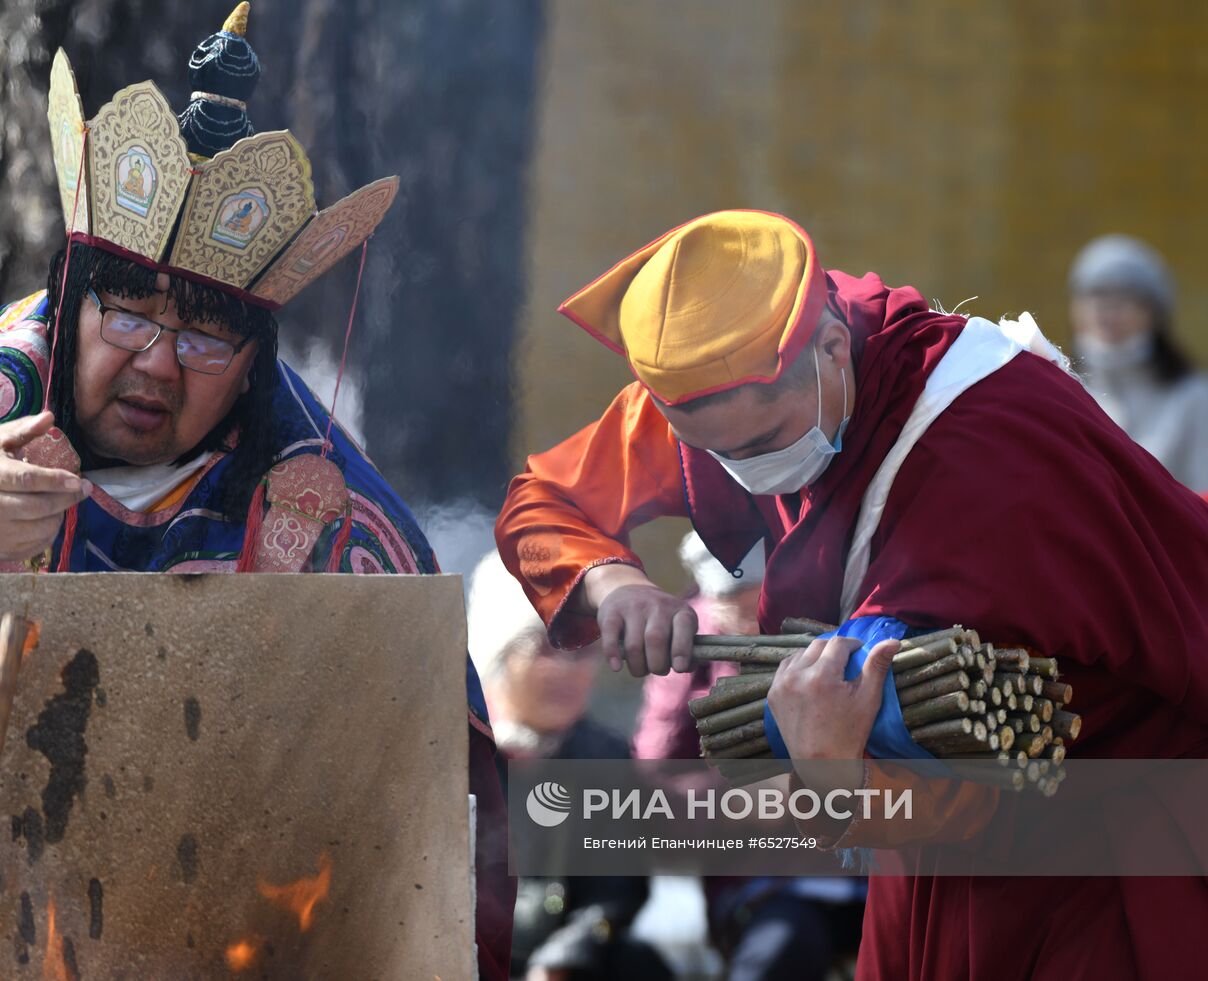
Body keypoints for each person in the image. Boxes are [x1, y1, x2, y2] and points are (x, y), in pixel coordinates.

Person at [0, 6, 512, 976]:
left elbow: (431, 787)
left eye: (204, 337)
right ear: (70, 300)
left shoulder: (318, 508)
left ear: (253, 358)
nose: (157, 366)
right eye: (126, 315)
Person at [495, 210, 1208, 979]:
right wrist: (616, 582)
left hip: (1091, 842)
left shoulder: (985, 457)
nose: (740, 472)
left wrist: (830, 766)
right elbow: (543, 499)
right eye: (710, 452)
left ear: (834, 346)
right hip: (920, 843)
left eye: (763, 443)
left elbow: (963, 788)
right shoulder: (721, 391)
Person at [635, 534, 864, 981]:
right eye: (731, 605)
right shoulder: (693, 648)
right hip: (761, 879)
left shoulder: (840, 623)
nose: (745, 619)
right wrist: (734, 796)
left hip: (869, 866)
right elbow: (654, 788)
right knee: (783, 945)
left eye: (755, 603)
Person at [467, 550, 671, 981]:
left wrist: (562, 959)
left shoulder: (604, 757)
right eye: (545, 649)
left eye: (580, 652)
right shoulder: (458, 753)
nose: (567, 670)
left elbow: (618, 890)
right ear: (499, 654)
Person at [1068, 233, 1208, 491]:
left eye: (1124, 295)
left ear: (1154, 312)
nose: (1106, 309)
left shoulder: (1193, 398)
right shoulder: (1061, 390)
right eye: (1095, 294)